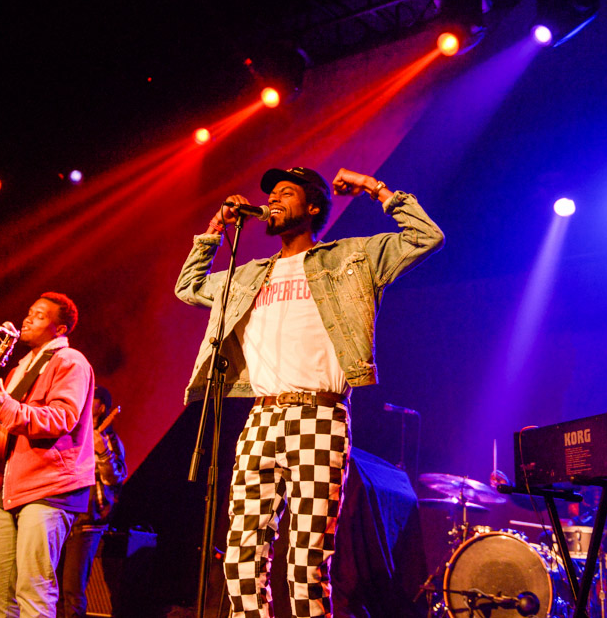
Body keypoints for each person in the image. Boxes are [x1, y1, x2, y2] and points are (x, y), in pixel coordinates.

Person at [175, 166, 444, 618]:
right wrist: (214, 231)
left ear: (313, 207)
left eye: (285, 193)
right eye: (271, 195)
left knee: (306, 563)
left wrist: (374, 188)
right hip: (261, 418)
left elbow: (425, 237)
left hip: (319, 418)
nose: (273, 200)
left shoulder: (349, 259)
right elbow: (189, 287)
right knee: (240, 559)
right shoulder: (248, 276)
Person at [0, 292, 95, 618]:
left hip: (49, 486)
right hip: (11, 489)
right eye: (29, 312)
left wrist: (3, 406)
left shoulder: (70, 362)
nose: (27, 319)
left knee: (33, 591)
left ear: (60, 329)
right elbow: (13, 406)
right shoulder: (23, 366)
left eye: (39, 315)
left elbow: (61, 418)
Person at [59, 386, 127, 618]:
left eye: (93, 398)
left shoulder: (109, 439)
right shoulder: (74, 432)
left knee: (72, 589)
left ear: (101, 407)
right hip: (63, 515)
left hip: (88, 520)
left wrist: (103, 452)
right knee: (48, 585)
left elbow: (115, 478)